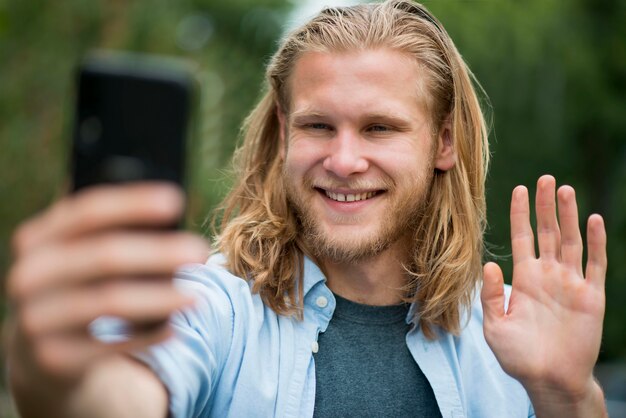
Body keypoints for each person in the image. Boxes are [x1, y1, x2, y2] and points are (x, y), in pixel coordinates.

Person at [6, 1, 608, 417]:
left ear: (443, 143)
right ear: (284, 134)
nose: (344, 161)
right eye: (319, 125)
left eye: (378, 128)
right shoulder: (210, 308)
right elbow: (121, 397)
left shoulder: (504, 341)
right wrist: (54, 374)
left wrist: (568, 396)